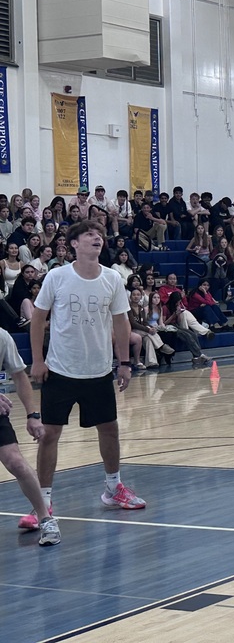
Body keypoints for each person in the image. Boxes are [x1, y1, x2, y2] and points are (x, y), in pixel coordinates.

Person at [20, 220, 146, 532]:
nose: (96, 238)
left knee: (110, 429)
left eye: (99, 234)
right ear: (73, 244)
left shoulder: (112, 278)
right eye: (89, 234)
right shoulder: (57, 276)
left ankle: (113, 488)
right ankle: (43, 502)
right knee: (50, 435)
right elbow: (38, 319)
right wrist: (37, 361)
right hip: (60, 370)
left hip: (99, 371)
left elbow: (121, 323)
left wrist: (125, 363)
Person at [0, 328, 62, 544]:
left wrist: (32, 415)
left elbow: (19, 376)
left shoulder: (2, 337)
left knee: (16, 462)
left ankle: (45, 519)